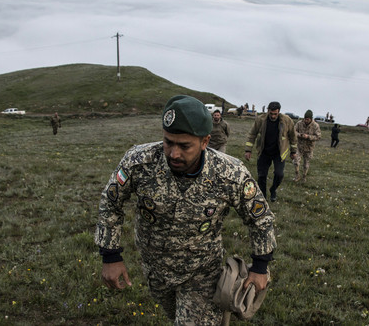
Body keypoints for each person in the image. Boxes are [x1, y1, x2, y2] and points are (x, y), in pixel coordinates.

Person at [94, 95, 275, 325]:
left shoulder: (230, 173)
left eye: (184, 146)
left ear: (205, 141)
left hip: (202, 274)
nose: (174, 154)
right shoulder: (139, 162)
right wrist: (110, 255)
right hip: (155, 270)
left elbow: (260, 218)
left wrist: (260, 266)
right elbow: (111, 202)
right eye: (168, 142)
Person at [245, 101, 297, 202]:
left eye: (275, 114)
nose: (273, 116)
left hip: (279, 153)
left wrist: (293, 151)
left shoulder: (287, 120)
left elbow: (292, 136)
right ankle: (263, 196)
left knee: (279, 174)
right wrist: (248, 150)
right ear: (268, 111)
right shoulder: (260, 119)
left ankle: (273, 189)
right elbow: (252, 134)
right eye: (271, 113)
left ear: (279, 112)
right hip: (264, 151)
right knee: (262, 175)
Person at [293, 110, 322, 182]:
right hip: (299, 146)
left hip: (309, 148)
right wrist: (299, 135)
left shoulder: (315, 125)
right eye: (305, 118)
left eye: (308, 119)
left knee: (306, 165)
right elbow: (293, 132)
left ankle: (304, 177)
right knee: (296, 162)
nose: (306, 120)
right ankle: (297, 176)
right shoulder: (299, 123)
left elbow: (318, 137)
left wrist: (308, 137)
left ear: (311, 119)